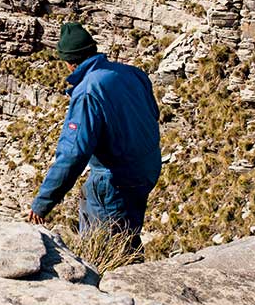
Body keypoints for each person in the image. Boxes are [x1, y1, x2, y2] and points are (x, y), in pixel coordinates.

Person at [26, 22, 161, 252]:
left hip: (116, 179)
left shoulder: (88, 91)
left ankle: (115, 281)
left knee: (104, 245)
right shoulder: (133, 73)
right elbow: (154, 114)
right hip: (147, 168)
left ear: (69, 63)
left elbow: (73, 154)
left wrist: (42, 203)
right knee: (128, 229)